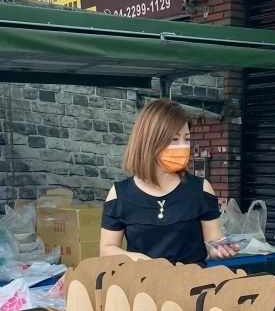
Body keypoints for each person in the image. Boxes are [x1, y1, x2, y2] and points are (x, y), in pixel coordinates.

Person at [100, 98, 238, 264]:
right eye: (174, 140)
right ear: (149, 142)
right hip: (143, 285)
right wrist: (136, 259)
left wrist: (221, 249)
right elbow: (107, 249)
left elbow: (213, 242)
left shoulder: (200, 189)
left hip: (193, 285)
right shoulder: (120, 194)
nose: (183, 147)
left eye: (186, 139)